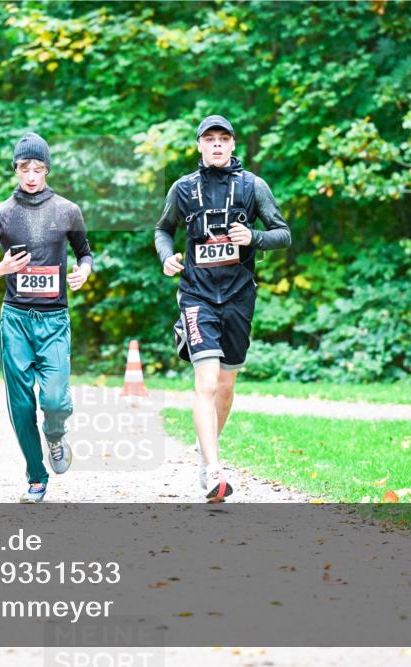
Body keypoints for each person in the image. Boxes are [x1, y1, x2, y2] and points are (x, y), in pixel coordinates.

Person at [154, 114, 292, 502]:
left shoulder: (253, 186)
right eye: (209, 139)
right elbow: (163, 229)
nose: (216, 145)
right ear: (199, 145)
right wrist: (167, 256)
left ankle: (205, 456)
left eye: (223, 139)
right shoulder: (183, 189)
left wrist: (254, 237)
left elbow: (283, 234)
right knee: (207, 382)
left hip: (238, 295)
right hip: (197, 295)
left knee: (227, 386)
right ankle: (215, 470)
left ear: (233, 145)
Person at [0, 132, 94, 503]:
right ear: (16, 170)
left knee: (55, 400)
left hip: (54, 319)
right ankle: (36, 476)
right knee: (21, 403)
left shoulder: (67, 210)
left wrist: (84, 271)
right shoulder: (1, 215)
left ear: (47, 170)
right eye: (25, 168)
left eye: (38, 168)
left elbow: (85, 253)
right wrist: (1, 268)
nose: (32, 175)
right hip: (16, 319)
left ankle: (55, 435)